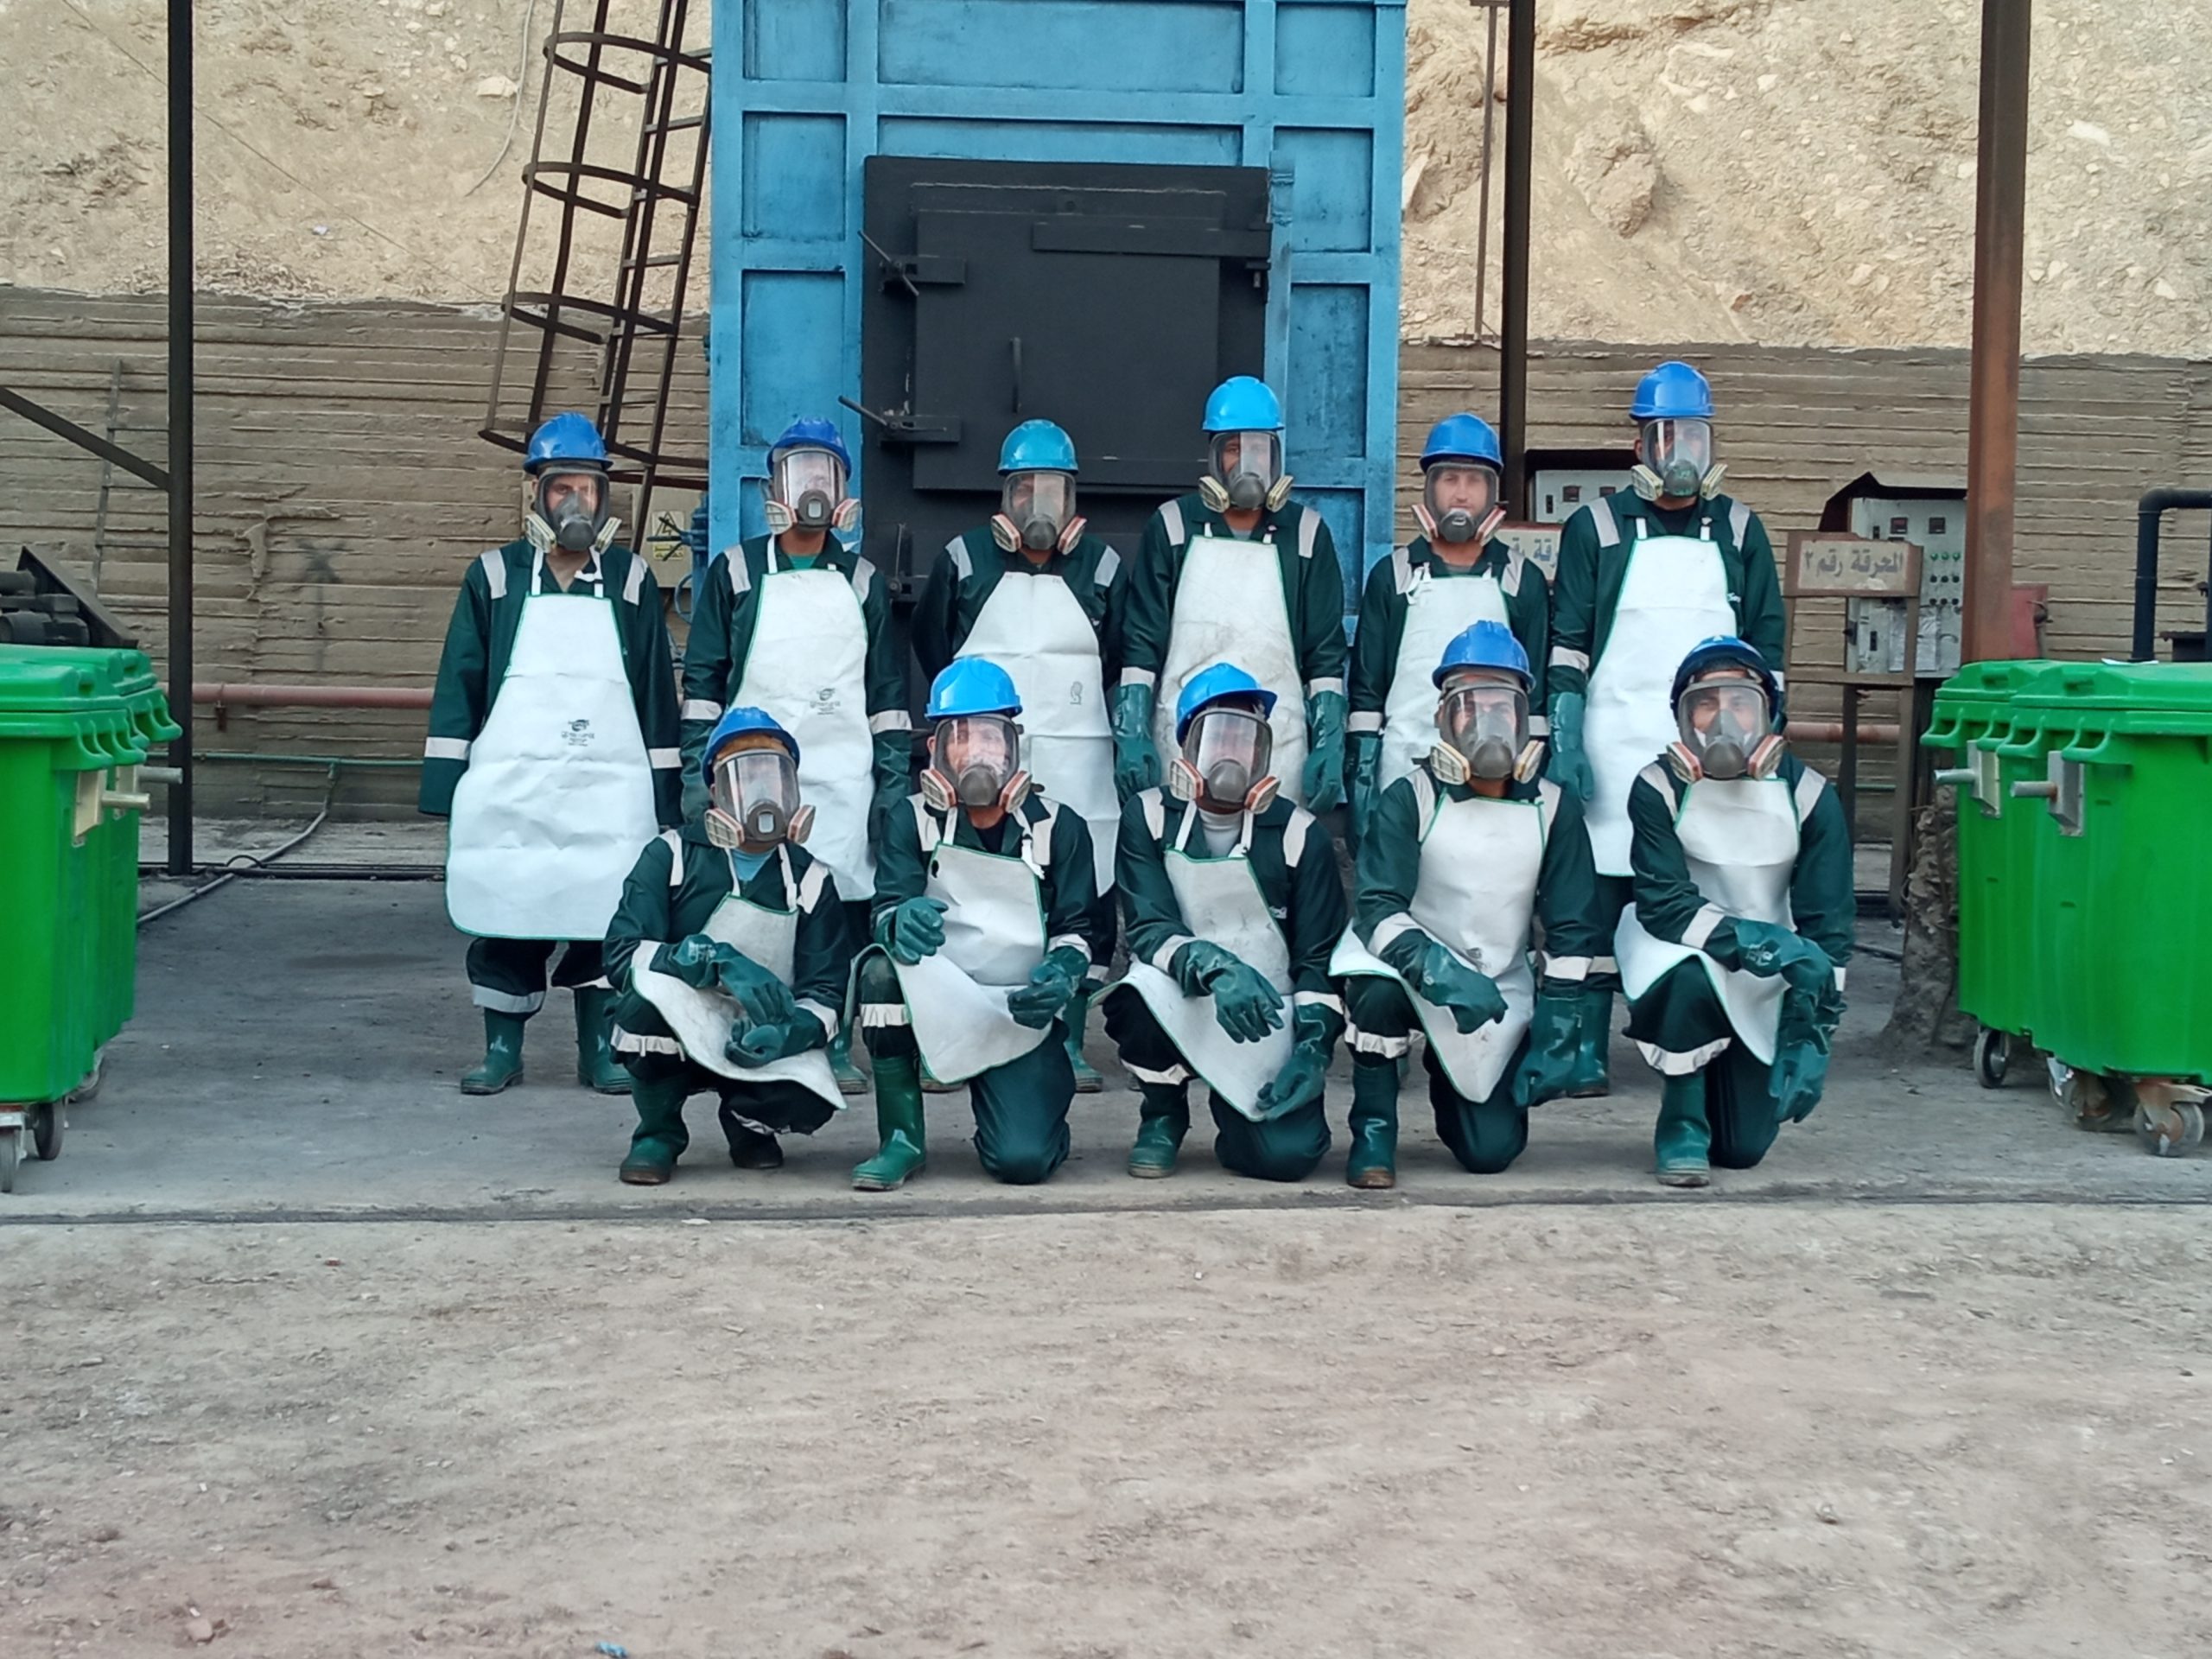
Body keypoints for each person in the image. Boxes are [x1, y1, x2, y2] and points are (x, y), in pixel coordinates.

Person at [421, 411, 683, 1096]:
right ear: (535, 494)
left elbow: (657, 696)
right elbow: (460, 682)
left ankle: (598, 1049)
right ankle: (501, 1049)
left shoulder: (629, 580)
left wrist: (667, 797)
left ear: (604, 496)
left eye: (588, 489)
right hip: (515, 788)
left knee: (605, 915)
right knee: (509, 911)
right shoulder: (494, 577)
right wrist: (446, 787)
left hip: (607, 792)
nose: (575, 503)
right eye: (562, 488)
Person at [1545, 359, 1788, 1096]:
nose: (1681, 452)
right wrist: (1565, 736)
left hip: (1715, 751)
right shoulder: (1596, 528)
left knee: (1699, 884)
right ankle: (1584, 1048)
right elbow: (1567, 644)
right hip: (1612, 744)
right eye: (1666, 436)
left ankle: (1689, 1031)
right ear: (1640, 444)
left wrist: (1767, 735)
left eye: (1694, 436)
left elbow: (1768, 644)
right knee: (1595, 897)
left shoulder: (1740, 529)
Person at [678, 416, 910, 1092]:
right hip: (750, 772)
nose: (812, 490)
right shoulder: (737, 571)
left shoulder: (862, 581)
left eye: (825, 475)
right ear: (772, 489)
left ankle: (831, 1038)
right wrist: (696, 771)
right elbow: (703, 684)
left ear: (843, 490)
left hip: (843, 778)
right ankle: (745, 1024)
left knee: (841, 909)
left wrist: (892, 781)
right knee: (768, 905)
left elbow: (887, 696)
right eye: (798, 474)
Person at [1332, 622, 1604, 1186]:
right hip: (1414, 970)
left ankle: (1451, 1077)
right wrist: (1437, 970)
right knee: (1374, 990)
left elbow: (1573, 923)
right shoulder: (1409, 796)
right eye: (1470, 707)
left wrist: (1560, 1022)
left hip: (1498, 983)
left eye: (1503, 707)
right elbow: (1377, 905)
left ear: (1524, 718)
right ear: (1444, 718)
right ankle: (1374, 1131)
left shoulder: (1554, 808)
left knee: (1490, 1152)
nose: (1487, 722)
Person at [910, 419, 1127, 1093]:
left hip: (1077, 763)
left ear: (1073, 497)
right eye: (1025, 489)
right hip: (979, 762)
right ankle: (953, 1028)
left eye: (1054, 490)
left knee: (1083, 894)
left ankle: (1070, 1037)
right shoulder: (964, 560)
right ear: (1003, 496)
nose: (1040, 505)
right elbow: (932, 642)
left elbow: (1119, 656)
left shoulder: (1103, 567)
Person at [850, 658, 1100, 1189]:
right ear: (937, 750)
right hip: (941, 993)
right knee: (880, 973)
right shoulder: (910, 819)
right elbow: (885, 907)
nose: (978, 753)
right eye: (960, 739)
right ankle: (901, 1141)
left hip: (1018, 1005)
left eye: (992, 736)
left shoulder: (1060, 827)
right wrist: (899, 920)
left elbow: (1080, 928)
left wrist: (1062, 971)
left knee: (1022, 1162)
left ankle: (1034, 1113)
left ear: (1014, 747)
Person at [1100, 663, 1349, 1183]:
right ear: (1186, 745)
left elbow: (1318, 956)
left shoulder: (1300, 833)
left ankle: (1239, 1122)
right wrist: (1215, 967)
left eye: (1246, 738)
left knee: (1285, 1158)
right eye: (1217, 736)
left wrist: (1312, 1047)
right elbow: (1149, 926)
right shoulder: (1148, 816)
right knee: (1135, 995)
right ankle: (1163, 1111)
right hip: (1184, 995)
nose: (1231, 753)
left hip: (1267, 1010)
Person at [1617, 639, 1852, 1187]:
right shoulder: (1658, 786)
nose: (1723, 719)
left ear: (1769, 713)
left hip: (1771, 964)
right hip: (1680, 944)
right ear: (1683, 717)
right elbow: (1665, 904)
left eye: (1741, 703)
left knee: (1743, 1150)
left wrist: (1815, 1027)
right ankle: (1681, 1122)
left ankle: (1725, 1099)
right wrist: (1755, 942)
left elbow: (1829, 919)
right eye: (1705, 703)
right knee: (1685, 978)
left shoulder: (1809, 794)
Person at [602, 709, 855, 1183]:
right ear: (716, 791)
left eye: (775, 776)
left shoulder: (809, 877)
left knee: (811, 1098)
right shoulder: (671, 856)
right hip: (686, 1017)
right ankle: (658, 1132)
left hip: (763, 1026)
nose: (762, 792)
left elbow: (827, 990)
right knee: (643, 1003)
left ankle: (748, 1123)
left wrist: (790, 1032)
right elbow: (622, 953)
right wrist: (705, 960)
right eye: (745, 777)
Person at [1116, 377, 1349, 815]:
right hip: (1182, 737)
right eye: (1233, 449)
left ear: (1275, 456)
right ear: (1214, 456)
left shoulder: (1305, 533)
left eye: (1259, 449)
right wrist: (1133, 734)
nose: (1247, 462)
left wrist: (1329, 743)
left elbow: (1324, 655)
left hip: (1279, 741)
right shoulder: (1173, 526)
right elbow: (1141, 643)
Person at [1347, 413, 1549, 842]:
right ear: (1429, 487)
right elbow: (1368, 689)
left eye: (1475, 481)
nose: (1461, 494)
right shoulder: (1394, 575)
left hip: (1496, 771)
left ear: (1492, 491)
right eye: (1449, 479)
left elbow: (1535, 697)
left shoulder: (1520, 579)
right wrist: (1362, 773)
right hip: (1405, 764)